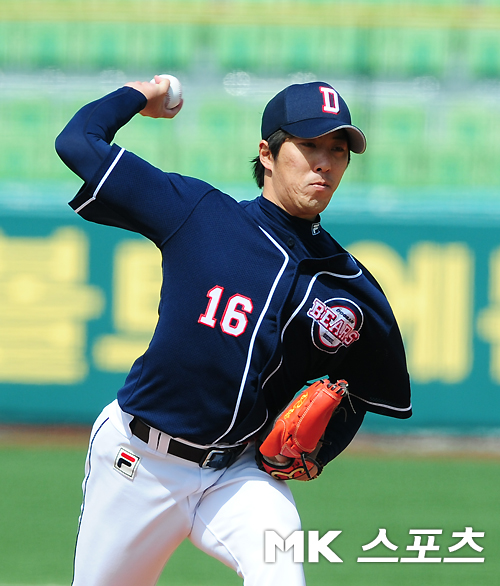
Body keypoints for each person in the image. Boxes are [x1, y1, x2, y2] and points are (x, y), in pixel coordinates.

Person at [55, 76, 411, 586]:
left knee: (282, 575)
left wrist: (320, 450)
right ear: (267, 154)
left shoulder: (347, 285)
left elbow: (364, 390)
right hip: (140, 461)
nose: (325, 163)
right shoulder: (199, 213)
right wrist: (142, 93)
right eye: (309, 145)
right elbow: (77, 142)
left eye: (338, 150)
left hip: (238, 475)